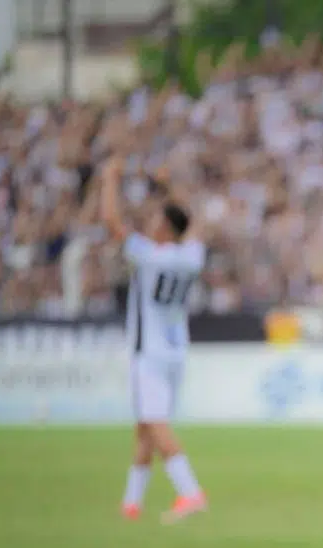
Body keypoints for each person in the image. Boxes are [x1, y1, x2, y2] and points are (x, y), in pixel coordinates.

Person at [100, 156, 208, 524]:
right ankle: (131, 503)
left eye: (156, 221)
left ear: (164, 229)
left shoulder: (150, 257)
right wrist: (168, 187)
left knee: (155, 421)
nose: (150, 224)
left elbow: (112, 223)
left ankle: (190, 493)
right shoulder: (190, 257)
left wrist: (109, 180)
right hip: (176, 348)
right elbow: (191, 223)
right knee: (145, 426)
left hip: (150, 351)